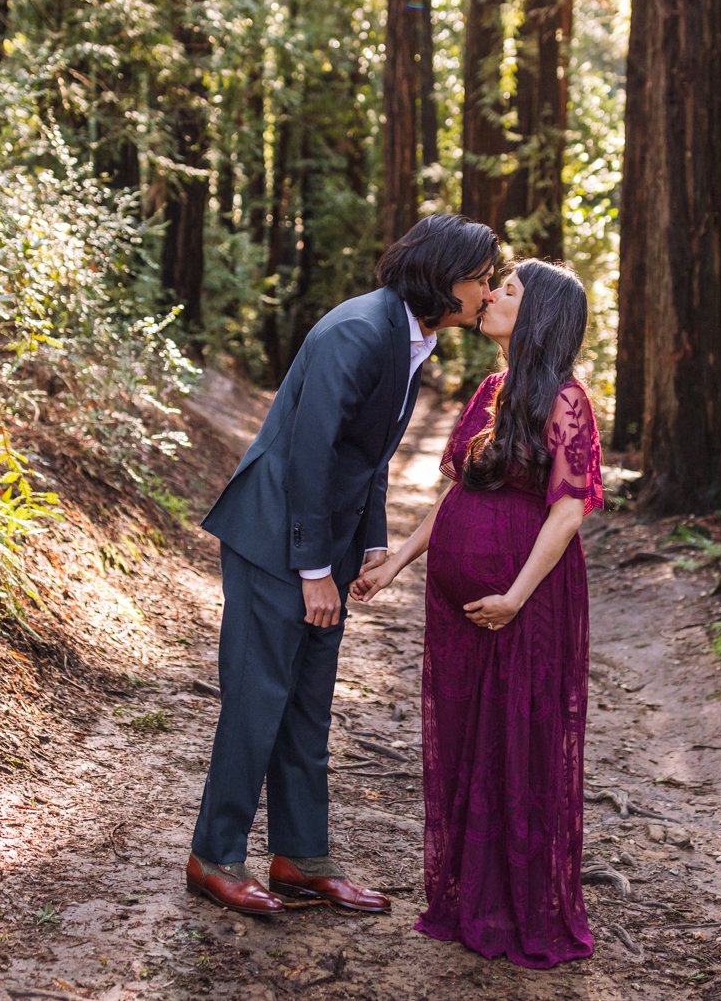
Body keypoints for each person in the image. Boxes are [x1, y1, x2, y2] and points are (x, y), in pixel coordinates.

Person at [186, 214, 502, 916]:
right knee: (258, 698)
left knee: (307, 705)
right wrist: (312, 569)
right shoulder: (357, 331)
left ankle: (301, 856)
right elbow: (308, 453)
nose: (488, 293)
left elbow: (367, 455)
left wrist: (371, 543)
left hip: (321, 540)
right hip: (275, 537)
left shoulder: (409, 336)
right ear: (444, 278)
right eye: (481, 280)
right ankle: (214, 855)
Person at [352, 258, 601, 967]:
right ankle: (469, 900)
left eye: (509, 290)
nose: (491, 295)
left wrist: (517, 595)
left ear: (539, 314)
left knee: (517, 743)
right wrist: (399, 559)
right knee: (467, 738)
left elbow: (567, 513)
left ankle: (519, 910)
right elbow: (458, 495)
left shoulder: (566, 399)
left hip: (524, 602)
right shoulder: (491, 389)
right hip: (458, 606)